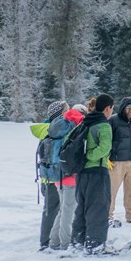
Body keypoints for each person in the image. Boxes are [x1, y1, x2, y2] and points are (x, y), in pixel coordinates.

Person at [71, 93, 115, 254]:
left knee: (81, 208)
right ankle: (95, 245)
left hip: (82, 173)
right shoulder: (103, 125)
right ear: (108, 108)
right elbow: (105, 148)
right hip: (97, 171)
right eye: (112, 108)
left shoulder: (86, 121)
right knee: (98, 208)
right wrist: (89, 156)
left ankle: (77, 242)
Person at [48, 104, 88, 251]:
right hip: (70, 174)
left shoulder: (61, 124)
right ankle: (65, 243)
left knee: (63, 209)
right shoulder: (77, 125)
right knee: (68, 211)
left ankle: (54, 241)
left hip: (57, 173)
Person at [30, 100, 69, 250]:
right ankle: (46, 241)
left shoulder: (45, 129)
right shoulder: (55, 130)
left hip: (46, 175)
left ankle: (50, 239)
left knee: (52, 209)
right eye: (66, 110)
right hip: (54, 176)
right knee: (52, 209)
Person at [108, 97, 131, 227]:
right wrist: (107, 157)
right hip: (116, 162)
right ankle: (108, 216)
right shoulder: (113, 120)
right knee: (111, 191)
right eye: (128, 108)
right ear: (123, 108)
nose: (130, 111)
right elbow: (107, 140)